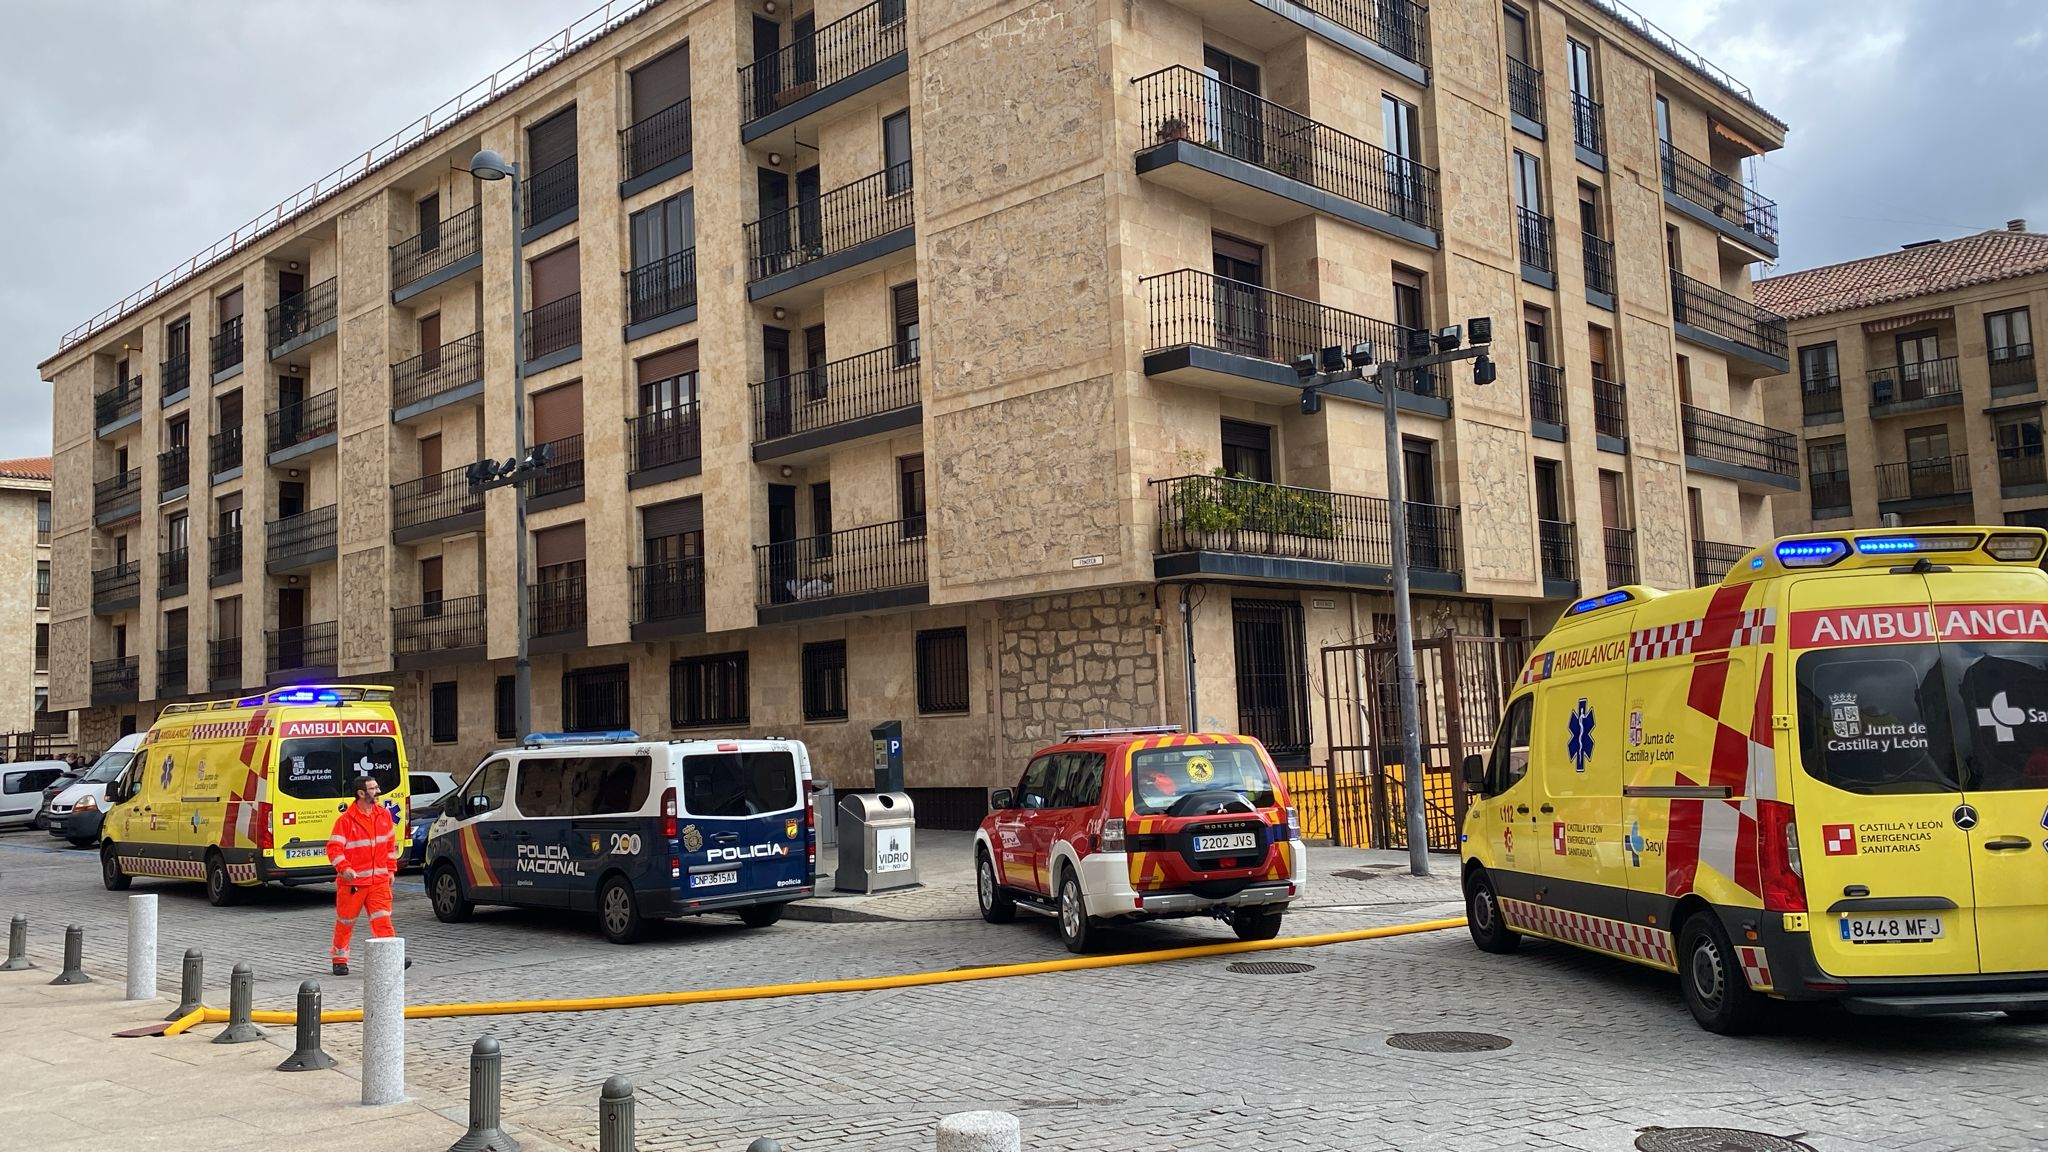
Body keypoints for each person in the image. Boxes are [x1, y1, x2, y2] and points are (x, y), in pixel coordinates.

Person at [325, 773, 400, 976]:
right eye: (373, 788)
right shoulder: (346, 821)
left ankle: (390, 958)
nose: (378, 791)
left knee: (383, 921)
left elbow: (389, 846)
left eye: (376, 787)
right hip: (354, 883)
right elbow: (333, 849)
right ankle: (340, 959)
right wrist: (345, 868)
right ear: (361, 793)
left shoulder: (383, 815)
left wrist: (391, 869)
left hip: (379, 882)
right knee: (346, 922)